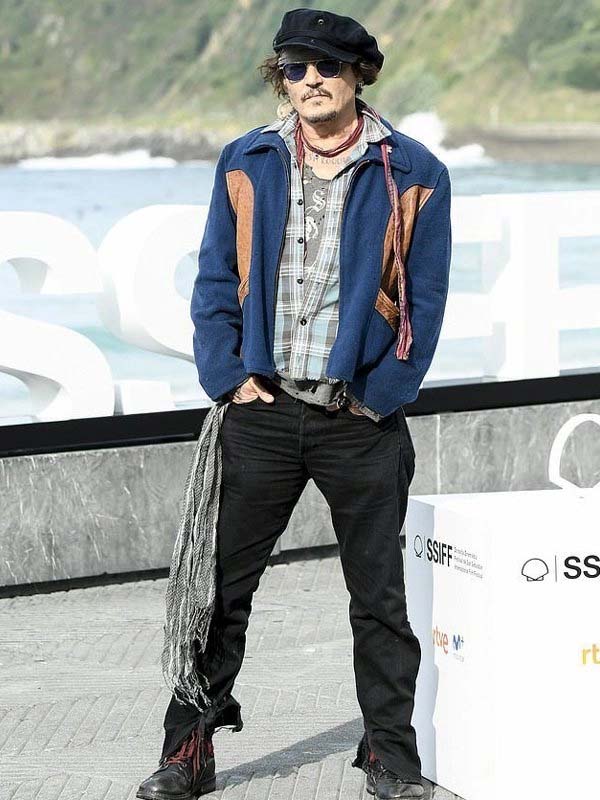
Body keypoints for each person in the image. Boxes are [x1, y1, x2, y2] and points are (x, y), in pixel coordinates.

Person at [137, 7, 451, 800]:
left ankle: (389, 757)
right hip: (262, 412)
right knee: (217, 594)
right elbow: (215, 277)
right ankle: (187, 753)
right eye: (294, 67)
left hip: (360, 419)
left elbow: (428, 298)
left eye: (325, 66)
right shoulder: (248, 159)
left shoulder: (415, 171)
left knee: (379, 602)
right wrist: (226, 376)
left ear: (358, 74)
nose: (309, 80)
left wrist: (381, 396)